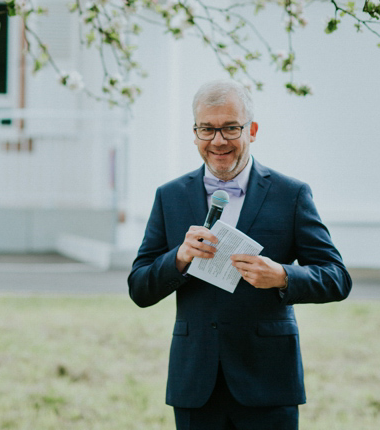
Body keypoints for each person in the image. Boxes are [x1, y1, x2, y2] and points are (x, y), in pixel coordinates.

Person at [128, 79, 351, 430]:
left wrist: (282, 276)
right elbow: (139, 288)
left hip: (268, 380)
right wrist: (179, 259)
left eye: (230, 128)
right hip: (195, 384)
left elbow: (337, 278)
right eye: (207, 129)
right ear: (195, 132)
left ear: (252, 130)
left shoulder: (290, 194)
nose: (218, 140)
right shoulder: (169, 196)